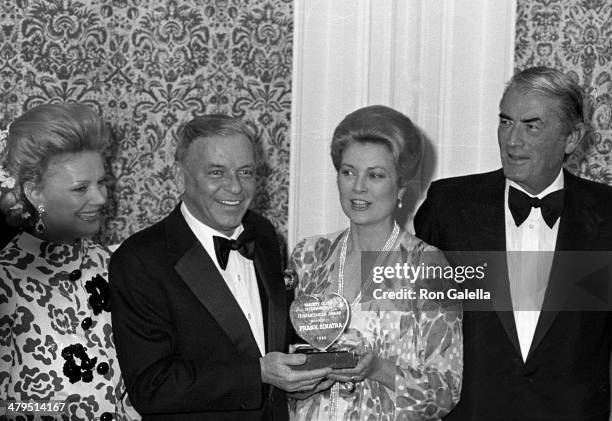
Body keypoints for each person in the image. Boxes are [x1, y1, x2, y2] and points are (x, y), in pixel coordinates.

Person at [414, 66, 612, 420]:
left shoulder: (607, 215)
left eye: (531, 125)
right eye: (506, 122)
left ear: (572, 138)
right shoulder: (449, 206)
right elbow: (414, 323)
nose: (512, 140)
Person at [110, 115, 331, 421]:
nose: (235, 187)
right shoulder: (140, 259)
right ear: (179, 177)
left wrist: (302, 378)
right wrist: (258, 374)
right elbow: (151, 387)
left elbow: (272, 345)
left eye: (246, 172)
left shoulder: (263, 234)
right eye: (216, 172)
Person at [289, 105, 463, 420]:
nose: (358, 187)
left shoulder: (425, 264)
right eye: (348, 171)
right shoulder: (308, 255)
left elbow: (445, 391)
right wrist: (299, 382)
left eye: (376, 175)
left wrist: (377, 369)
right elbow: (287, 372)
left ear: (401, 186)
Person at [0, 103, 139, 420]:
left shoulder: (114, 264)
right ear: (35, 193)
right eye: (81, 188)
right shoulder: (6, 278)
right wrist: (63, 410)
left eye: (101, 183)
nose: (101, 198)